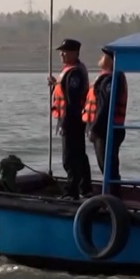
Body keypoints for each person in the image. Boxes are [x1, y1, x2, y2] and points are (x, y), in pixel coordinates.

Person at [47, 38, 91, 199]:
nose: (62, 55)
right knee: (79, 154)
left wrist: (66, 123)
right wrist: (56, 85)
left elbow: (72, 100)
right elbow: (65, 91)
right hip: (72, 119)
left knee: (70, 157)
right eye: (61, 52)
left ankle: (72, 191)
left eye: (65, 52)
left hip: (72, 119)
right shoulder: (70, 71)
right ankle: (85, 188)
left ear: (75, 53)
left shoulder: (75, 73)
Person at [83, 47, 128, 188]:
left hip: (106, 129)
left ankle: (113, 195)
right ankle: (111, 192)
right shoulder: (107, 77)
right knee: (107, 166)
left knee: (108, 166)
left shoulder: (110, 79)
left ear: (111, 61)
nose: (100, 58)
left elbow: (105, 106)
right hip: (104, 128)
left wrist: (94, 128)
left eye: (103, 56)